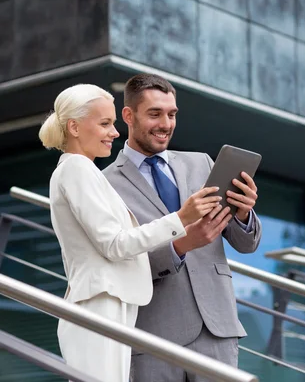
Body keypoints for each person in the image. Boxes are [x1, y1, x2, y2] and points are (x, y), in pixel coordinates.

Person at [38, 83, 222, 382]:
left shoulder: (84, 171)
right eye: (105, 124)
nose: (114, 132)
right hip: (99, 303)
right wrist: (181, 218)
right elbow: (114, 244)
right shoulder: (77, 169)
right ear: (74, 127)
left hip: (110, 301)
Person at [103, 74, 262, 381]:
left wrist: (243, 214)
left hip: (217, 331)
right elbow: (116, 261)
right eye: (154, 114)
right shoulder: (105, 185)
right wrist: (181, 245)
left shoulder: (202, 163)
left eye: (172, 114)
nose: (166, 124)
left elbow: (246, 244)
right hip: (153, 337)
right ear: (128, 116)